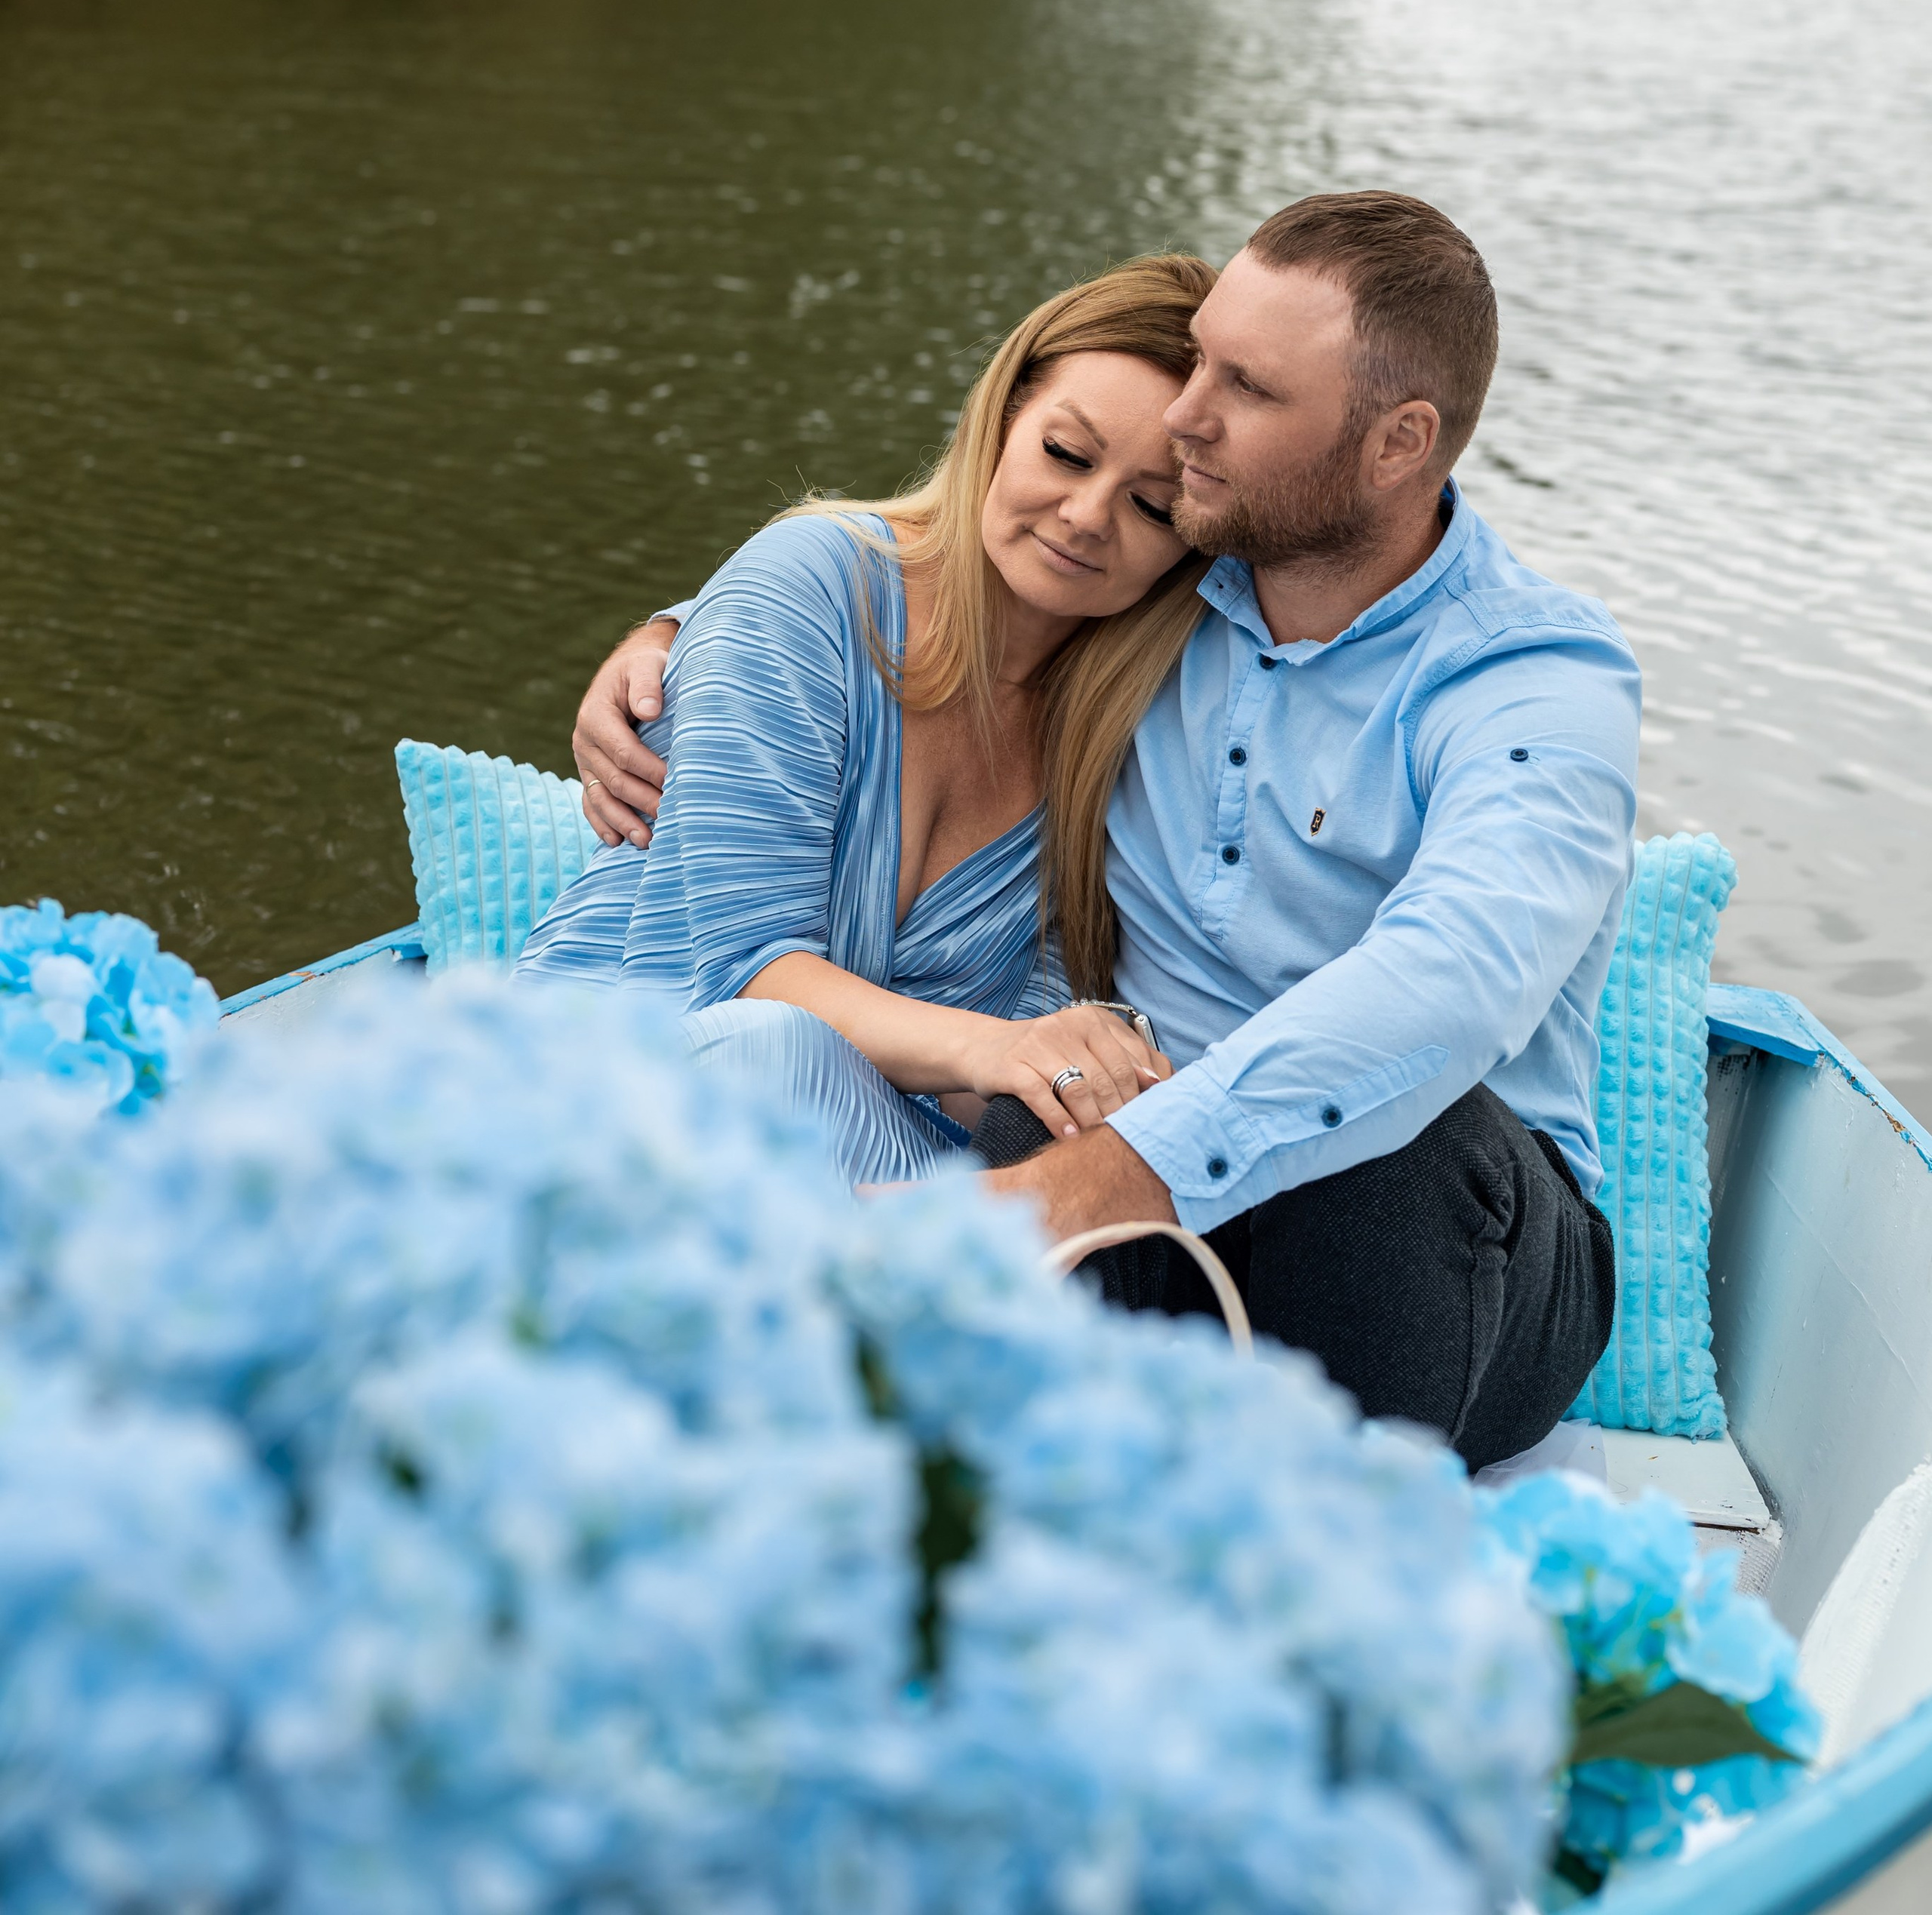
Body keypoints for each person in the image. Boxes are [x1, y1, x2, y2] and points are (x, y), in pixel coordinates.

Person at [576, 192, 1639, 1471]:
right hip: (1138, 1183)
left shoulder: (1535, 681)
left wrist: (1069, 1189)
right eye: (1199, 359)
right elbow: (929, 578)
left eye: (1242, 385)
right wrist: (675, 638)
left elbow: (1453, 979)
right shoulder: (1180, 584)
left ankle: (1302, 1528)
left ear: (1397, 442)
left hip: (1438, 1237)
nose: (1188, 416)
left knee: (1393, 1137)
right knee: (1028, 1110)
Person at [518, 254, 1218, 1181]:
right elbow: (744, 968)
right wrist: (995, 1052)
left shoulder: (1132, 734)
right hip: (619, 1092)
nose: (1088, 515)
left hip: (864, 1160)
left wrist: (1070, 1063)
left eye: (1152, 506)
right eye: (1065, 453)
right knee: (770, 1053)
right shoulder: (812, 587)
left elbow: (1024, 1038)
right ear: (1003, 417)